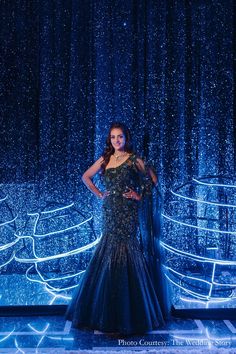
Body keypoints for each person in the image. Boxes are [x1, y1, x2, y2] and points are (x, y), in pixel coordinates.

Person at [66, 122, 170, 335]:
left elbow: (153, 179)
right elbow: (86, 177)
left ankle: (131, 313)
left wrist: (139, 195)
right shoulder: (106, 159)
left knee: (127, 249)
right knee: (108, 249)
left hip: (128, 212)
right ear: (109, 139)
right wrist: (99, 194)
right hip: (111, 211)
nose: (116, 141)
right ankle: (104, 312)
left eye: (120, 137)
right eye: (113, 137)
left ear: (126, 138)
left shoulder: (133, 159)